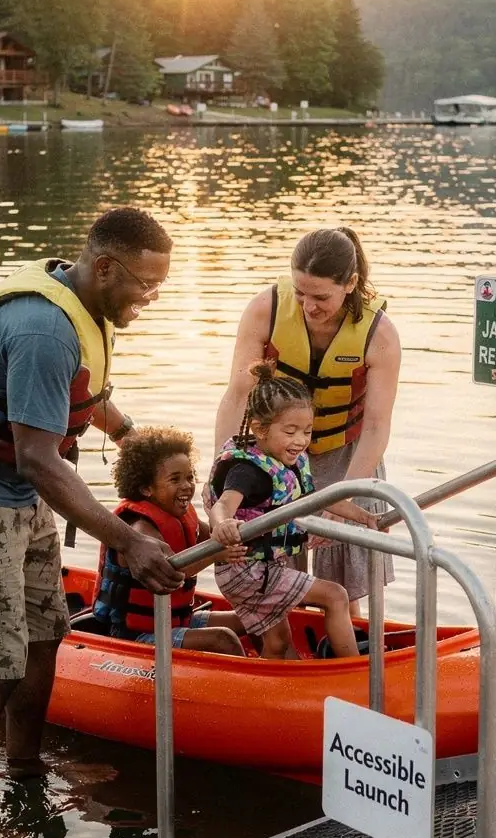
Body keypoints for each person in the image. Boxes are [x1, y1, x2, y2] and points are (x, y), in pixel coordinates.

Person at [0, 207, 184, 838]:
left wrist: (134, 436)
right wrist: (128, 540)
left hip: (16, 490)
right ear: (104, 266)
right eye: (144, 284)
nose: (149, 298)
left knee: (44, 633)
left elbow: (87, 395)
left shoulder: (82, 305)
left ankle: (24, 769)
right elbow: (38, 458)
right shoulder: (43, 332)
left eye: (159, 287)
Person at [214, 227, 400, 603]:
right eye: (300, 293)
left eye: (321, 296)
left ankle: (345, 651)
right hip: (270, 454)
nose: (308, 306)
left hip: (345, 454)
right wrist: (225, 465)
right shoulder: (265, 309)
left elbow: (378, 425)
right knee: (275, 571)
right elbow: (237, 394)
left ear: (350, 283)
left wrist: (346, 496)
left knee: (346, 582)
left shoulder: (380, 335)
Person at [208, 363, 360, 659]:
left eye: (307, 431)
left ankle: (268, 688)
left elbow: (314, 498)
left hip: (263, 566)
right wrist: (223, 524)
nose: (301, 441)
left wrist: (366, 518)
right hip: (246, 570)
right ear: (260, 430)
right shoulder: (248, 471)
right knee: (335, 596)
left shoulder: (285, 461)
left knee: (279, 641)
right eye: (290, 431)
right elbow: (223, 505)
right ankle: (353, 672)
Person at [93, 426, 246, 655]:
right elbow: (171, 570)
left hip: (177, 619)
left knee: (248, 619)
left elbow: (210, 537)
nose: (186, 486)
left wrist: (231, 528)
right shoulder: (140, 528)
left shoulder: (182, 516)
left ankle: (272, 666)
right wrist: (217, 554)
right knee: (223, 639)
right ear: (146, 488)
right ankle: (249, 686)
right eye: (175, 479)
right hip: (137, 635)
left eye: (189, 477)